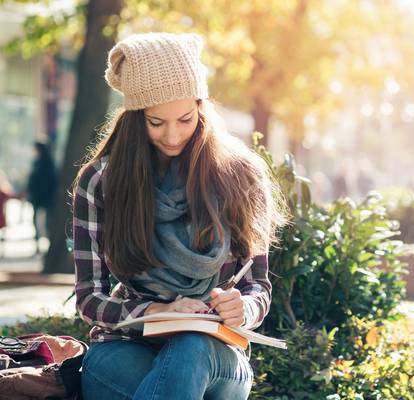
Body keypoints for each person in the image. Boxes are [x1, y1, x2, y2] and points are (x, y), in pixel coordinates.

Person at [73, 33, 288, 400]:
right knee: (172, 380)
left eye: (185, 120)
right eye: (156, 123)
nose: (173, 136)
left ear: (201, 109)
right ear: (135, 118)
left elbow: (258, 287)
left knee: (189, 350)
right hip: (125, 348)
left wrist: (244, 308)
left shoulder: (241, 175)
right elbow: (89, 298)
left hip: (214, 353)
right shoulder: (100, 181)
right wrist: (155, 310)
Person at [26, 141, 57, 253]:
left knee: (47, 222)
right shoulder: (39, 162)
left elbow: (49, 181)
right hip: (39, 198)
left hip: (44, 197)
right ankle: (38, 245)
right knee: (38, 221)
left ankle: (45, 244)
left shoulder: (46, 163)